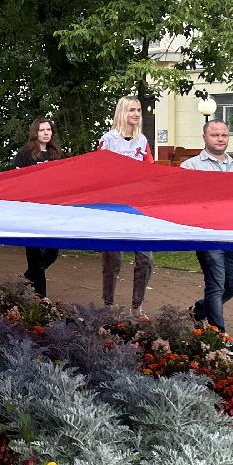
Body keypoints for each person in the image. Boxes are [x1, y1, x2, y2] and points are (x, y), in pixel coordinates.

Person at [182, 119, 233, 332]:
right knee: (216, 284)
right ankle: (218, 335)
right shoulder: (191, 167)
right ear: (204, 137)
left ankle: (199, 310)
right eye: (215, 135)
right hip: (206, 234)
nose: (220, 138)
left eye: (224, 135)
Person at [97, 96, 155, 317]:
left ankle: (136, 306)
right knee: (112, 259)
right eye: (132, 110)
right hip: (113, 206)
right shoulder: (109, 140)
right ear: (122, 112)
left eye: (139, 110)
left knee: (145, 257)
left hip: (136, 206)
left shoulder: (141, 141)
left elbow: (150, 171)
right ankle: (108, 305)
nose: (137, 114)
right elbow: (98, 171)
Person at [13, 118, 64, 297]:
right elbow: (16, 181)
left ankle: (24, 280)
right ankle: (41, 298)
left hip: (51, 211)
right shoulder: (24, 155)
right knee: (35, 256)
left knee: (51, 253)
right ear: (35, 132)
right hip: (31, 211)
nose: (46, 133)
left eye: (49, 129)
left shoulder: (55, 154)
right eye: (42, 130)